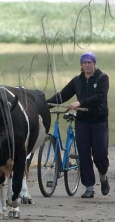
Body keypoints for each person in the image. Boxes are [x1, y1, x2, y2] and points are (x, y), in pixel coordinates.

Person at [47, 52, 110, 199]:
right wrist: (45, 104)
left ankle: (103, 175)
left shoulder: (102, 78)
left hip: (99, 121)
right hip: (82, 121)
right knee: (84, 155)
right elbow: (63, 95)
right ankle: (89, 187)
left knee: (100, 155)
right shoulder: (77, 80)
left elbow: (100, 97)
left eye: (90, 62)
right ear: (81, 65)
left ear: (94, 64)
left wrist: (80, 102)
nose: (87, 65)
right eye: (85, 62)